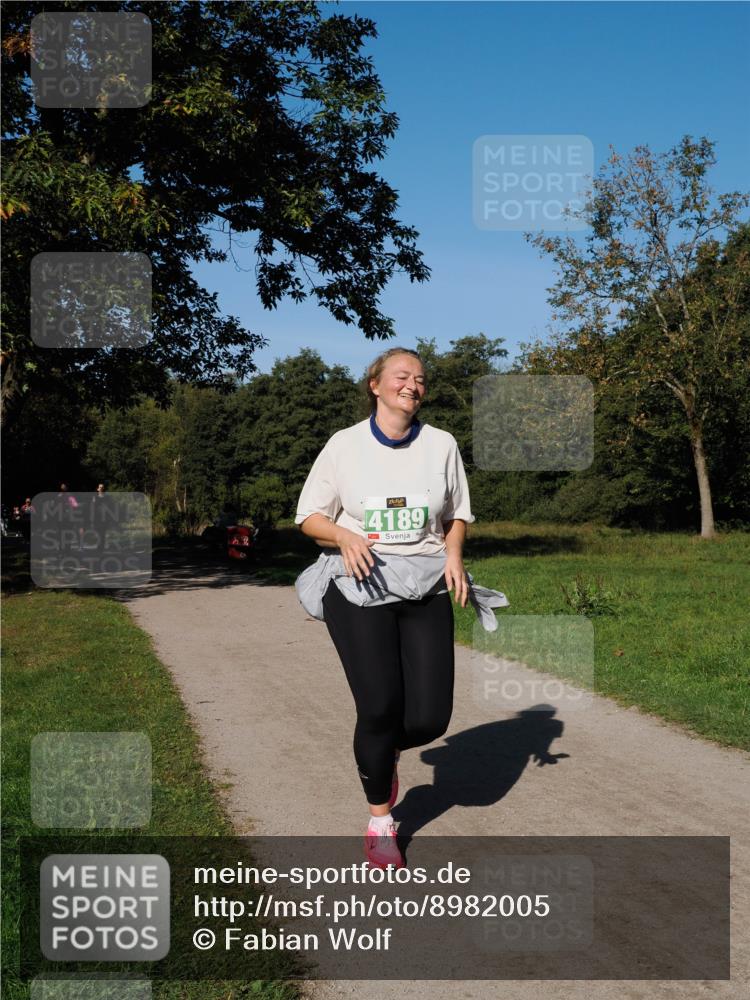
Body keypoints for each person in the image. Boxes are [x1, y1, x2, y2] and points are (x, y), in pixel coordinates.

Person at [294, 347, 509, 870]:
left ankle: (384, 750)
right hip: (360, 584)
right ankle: (381, 821)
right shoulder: (344, 445)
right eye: (401, 376)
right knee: (379, 707)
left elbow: (456, 514)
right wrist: (343, 535)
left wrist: (454, 555)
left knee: (431, 718)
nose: (412, 384)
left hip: (425, 583)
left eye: (420, 378)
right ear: (375, 384)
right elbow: (309, 517)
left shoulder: (441, 444)